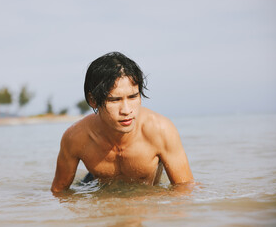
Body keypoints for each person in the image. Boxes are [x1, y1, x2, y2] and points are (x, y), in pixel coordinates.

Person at [51, 52, 194, 193]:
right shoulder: (76, 137)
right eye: (114, 100)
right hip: (94, 185)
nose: (126, 110)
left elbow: (185, 189)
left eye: (133, 97)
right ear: (93, 100)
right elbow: (59, 192)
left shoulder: (160, 130)